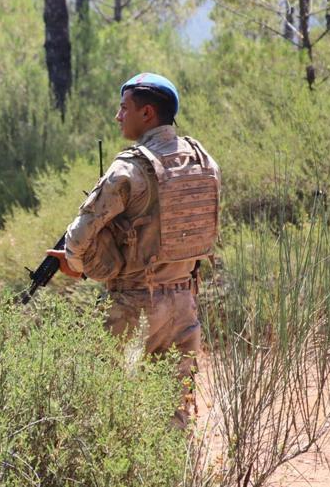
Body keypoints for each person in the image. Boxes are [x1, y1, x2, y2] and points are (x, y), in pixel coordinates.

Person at [47, 73, 221, 428]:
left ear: (146, 114)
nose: (117, 115)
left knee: (93, 402)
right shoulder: (204, 162)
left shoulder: (129, 168)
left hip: (133, 304)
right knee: (175, 413)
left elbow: (77, 238)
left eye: (123, 107)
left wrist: (78, 266)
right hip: (185, 302)